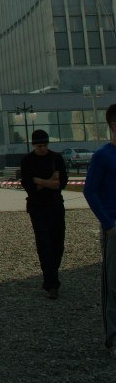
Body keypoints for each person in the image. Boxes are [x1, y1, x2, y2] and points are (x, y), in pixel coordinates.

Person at [83, 103, 116, 356]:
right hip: (114, 228)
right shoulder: (103, 156)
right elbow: (89, 191)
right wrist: (108, 224)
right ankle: (113, 336)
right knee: (113, 283)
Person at [19, 129, 68, 299]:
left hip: (55, 206)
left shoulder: (56, 158)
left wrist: (38, 180)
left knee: (58, 244)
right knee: (44, 244)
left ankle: (51, 276)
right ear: (34, 145)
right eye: (40, 146)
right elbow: (29, 187)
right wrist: (50, 181)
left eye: (45, 145)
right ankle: (52, 284)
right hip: (37, 208)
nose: (43, 149)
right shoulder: (27, 161)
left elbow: (61, 184)